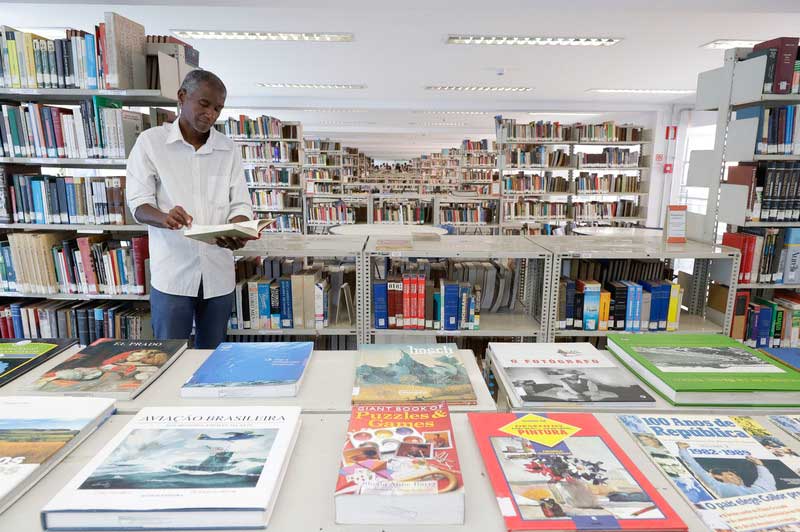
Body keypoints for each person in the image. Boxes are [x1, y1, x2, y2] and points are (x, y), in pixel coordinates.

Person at [126, 70, 253, 348]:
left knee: (213, 356)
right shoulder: (151, 143)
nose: (211, 114)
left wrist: (239, 227)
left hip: (218, 274)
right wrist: (164, 217)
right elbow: (138, 203)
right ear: (182, 97)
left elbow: (240, 203)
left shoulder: (228, 149)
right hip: (173, 274)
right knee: (170, 356)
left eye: (218, 108)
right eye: (204, 104)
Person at [676, 442, 776, 497]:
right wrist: (683, 450)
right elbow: (697, 469)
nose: (736, 477)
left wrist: (760, 465)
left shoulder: (759, 489)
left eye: (735, 474)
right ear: (718, 476)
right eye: (730, 475)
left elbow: (766, 480)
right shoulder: (721, 488)